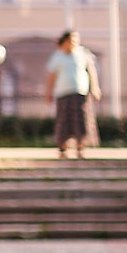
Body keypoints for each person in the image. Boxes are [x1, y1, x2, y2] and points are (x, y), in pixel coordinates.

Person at [43, 31, 97, 159]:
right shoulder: (57, 56)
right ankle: (63, 146)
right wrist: (48, 93)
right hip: (63, 93)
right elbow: (52, 77)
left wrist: (95, 87)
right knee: (64, 120)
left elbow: (91, 71)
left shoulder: (83, 53)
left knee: (81, 120)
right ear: (66, 41)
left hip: (80, 92)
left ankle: (80, 146)